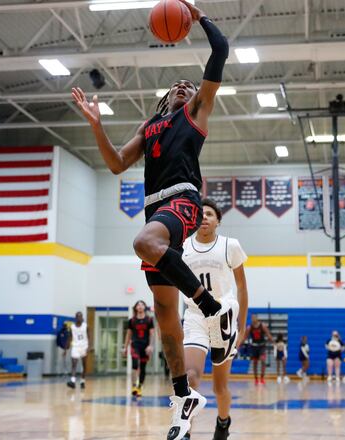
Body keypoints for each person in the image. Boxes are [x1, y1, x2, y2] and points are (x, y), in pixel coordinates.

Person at [71, 1, 229, 437]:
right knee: (165, 317)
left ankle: (211, 308)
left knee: (143, 242)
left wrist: (198, 19)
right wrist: (96, 124)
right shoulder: (150, 127)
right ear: (163, 99)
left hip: (181, 201)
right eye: (175, 86)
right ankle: (182, 393)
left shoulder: (195, 114)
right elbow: (118, 164)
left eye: (187, 85)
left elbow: (220, 53)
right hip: (156, 209)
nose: (182, 87)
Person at [181, 197, 249, 440]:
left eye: (209, 214)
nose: (204, 217)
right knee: (190, 376)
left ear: (218, 221)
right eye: (200, 214)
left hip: (223, 316)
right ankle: (184, 429)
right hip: (195, 315)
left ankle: (223, 422)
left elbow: (241, 286)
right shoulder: (183, 247)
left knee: (220, 386)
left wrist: (241, 325)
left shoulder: (230, 245)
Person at [124, 300, 155, 397]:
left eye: (142, 304)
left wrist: (151, 346)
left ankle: (140, 387)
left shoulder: (149, 320)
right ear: (136, 307)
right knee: (134, 365)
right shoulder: (132, 321)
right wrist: (125, 347)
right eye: (138, 304)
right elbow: (128, 334)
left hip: (145, 346)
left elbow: (152, 334)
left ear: (145, 307)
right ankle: (134, 386)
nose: (140, 306)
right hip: (135, 345)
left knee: (143, 367)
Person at [243, 315, 273, 385]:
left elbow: (268, 334)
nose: (253, 319)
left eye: (254, 317)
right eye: (252, 318)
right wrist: (239, 344)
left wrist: (273, 342)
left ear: (257, 318)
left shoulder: (262, 326)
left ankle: (262, 378)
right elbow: (245, 337)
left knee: (263, 361)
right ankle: (256, 379)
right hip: (254, 347)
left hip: (262, 346)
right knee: (255, 363)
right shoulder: (249, 327)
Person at [67, 311, 90, 389]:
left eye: (81, 316)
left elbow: (89, 336)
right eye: (78, 316)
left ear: (82, 317)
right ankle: (72, 381)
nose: (80, 318)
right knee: (74, 364)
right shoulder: (72, 327)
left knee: (84, 366)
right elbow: (70, 337)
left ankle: (82, 381)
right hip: (75, 347)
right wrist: (67, 347)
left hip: (84, 346)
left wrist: (89, 347)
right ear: (76, 318)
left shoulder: (85, 326)